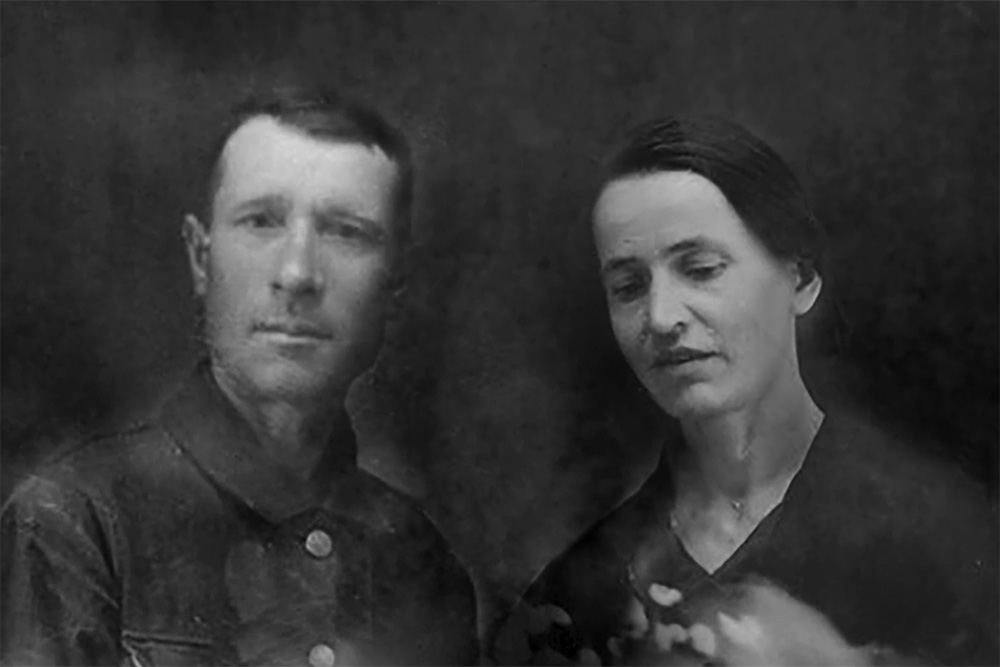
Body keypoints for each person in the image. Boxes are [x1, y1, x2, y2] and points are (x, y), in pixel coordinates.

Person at [491, 116, 998, 666]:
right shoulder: (577, 597)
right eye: (629, 286)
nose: (660, 317)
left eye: (701, 269)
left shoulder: (944, 541)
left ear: (801, 278)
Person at [1, 87, 479, 666]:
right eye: (261, 221)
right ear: (201, 258)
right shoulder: (74, 524)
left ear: (394, 281)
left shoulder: (425, 566)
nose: (297, 273)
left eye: (346, 232)